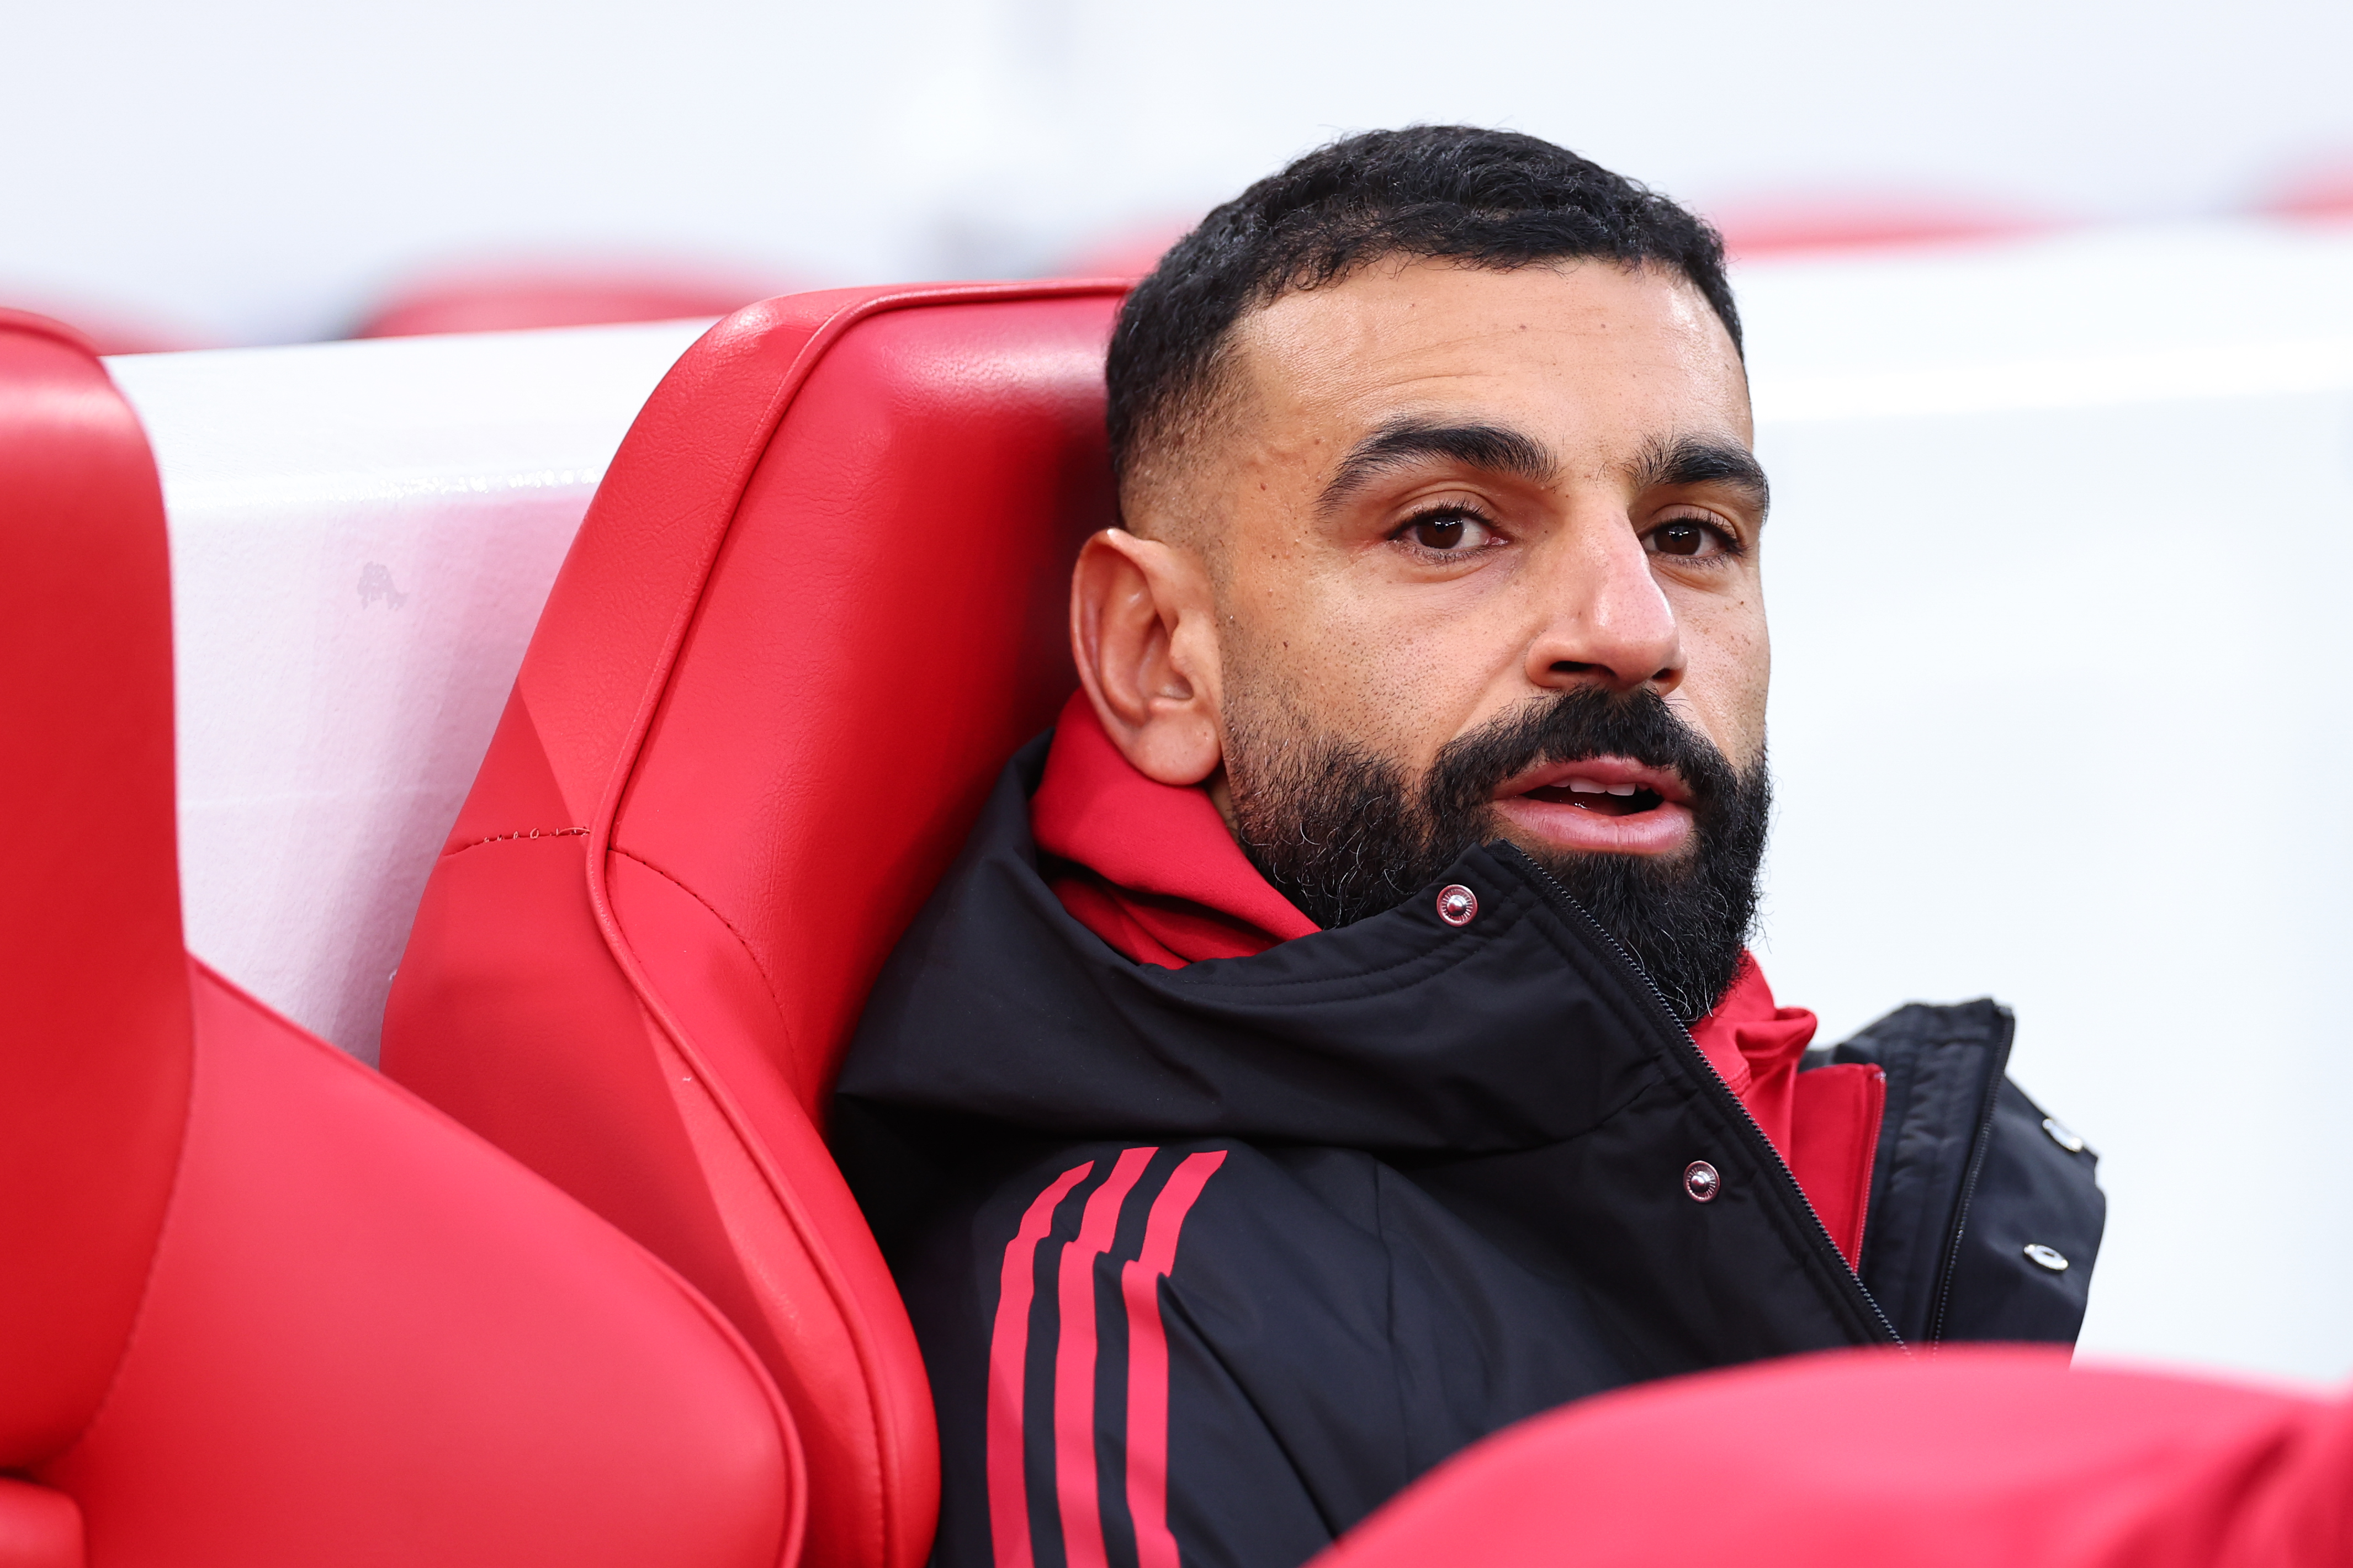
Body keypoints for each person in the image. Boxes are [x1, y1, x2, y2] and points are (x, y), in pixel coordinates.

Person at [834, 125, 2105, 1568]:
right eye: (1449, 527)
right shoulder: (1133, 1311)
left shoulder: (1867, 1153)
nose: (1632, 631)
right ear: (1161, 656)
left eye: (1691, 532)